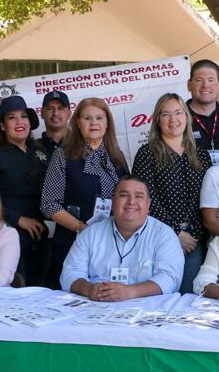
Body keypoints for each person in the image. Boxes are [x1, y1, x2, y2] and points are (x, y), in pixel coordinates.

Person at [42, 97, 128, 288]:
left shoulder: (117, 156)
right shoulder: (62, 156)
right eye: (87, 118)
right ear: (78, 123)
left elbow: (126, 197)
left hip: (111, 244)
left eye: (99, 118)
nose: (94, 123)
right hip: (73, 242)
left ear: (107, 123)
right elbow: (49, 204)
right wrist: (82, 229)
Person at [131, 93, 212, 294]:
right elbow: (146, 200)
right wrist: (175, 233)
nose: (173, 119)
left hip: (193, 241)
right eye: (165, 114)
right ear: (157, 120)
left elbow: (205, 198)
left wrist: (192, 235)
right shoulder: (147, 153)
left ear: (187, 117)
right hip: (159, 239)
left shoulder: (200, 154)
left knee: (188, 300)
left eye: (178, 112)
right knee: (159, 298)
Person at [61, 175, 183, 301]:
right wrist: (90, 289)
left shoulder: (165, 235)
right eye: (124, 195)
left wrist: (130, 291)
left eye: (139, 196)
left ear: (148, 205)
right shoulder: (90, 233)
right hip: (96, 304)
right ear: (113, 202)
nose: (131, 202)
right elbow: (69, 274)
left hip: (146, 309)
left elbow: (170, 278)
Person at [0, 96, 49, 284]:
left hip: (42, 235)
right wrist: (18, 219)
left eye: (23, 116)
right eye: (12, 117)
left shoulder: (40, 151)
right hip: (7, 233)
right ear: (2, 125)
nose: (19, 122)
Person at [185, 59, 219, 163]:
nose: (205, 85)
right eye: (199, 80)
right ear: (189, 85)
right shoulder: (179, 117)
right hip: (191, 178)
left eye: (211, 80)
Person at [35, 90, 71, 165]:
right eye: (50, 108)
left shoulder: (82, 143)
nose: (55, 113)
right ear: (42, 113)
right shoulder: (33, 148)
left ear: (69, 114)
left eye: (60, 108)